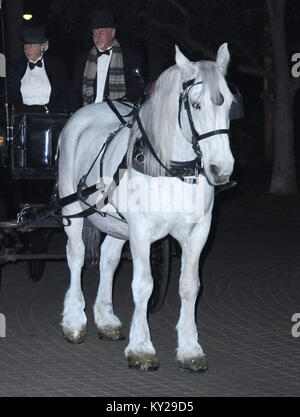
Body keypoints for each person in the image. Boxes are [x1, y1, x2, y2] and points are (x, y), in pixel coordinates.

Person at [68, 9, 142, 112]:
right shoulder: (82, 59)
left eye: (101, 32)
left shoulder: (130, 58)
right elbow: (74, 92)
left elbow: (135, 91)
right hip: (87, 114)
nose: (97, 36)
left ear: (112, 33)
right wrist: (76, 114)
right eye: (94, 33)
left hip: (116, 116)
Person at [7, 24, 69, 112]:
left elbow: (64, 95)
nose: (27, 49)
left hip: (50, 118)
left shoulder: (57, 67)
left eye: (32, 46)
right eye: (26, 46)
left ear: (42, 47)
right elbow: (9, 96)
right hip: (23, 118)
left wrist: (47, 109)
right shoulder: (15, 67)